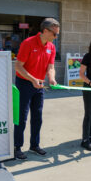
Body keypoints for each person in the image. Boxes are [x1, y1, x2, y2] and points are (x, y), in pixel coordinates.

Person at [14, 18, 59, 159]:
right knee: (22, 117)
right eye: (54, 34)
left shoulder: (51, 47)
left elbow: (51, 67)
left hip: (39, 84)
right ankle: (17, 147)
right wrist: (32, 79)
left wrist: (51, 78)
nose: (56, 37)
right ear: (45, 31)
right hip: (25, 83)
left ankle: (34, 145)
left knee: (37, 117)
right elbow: (18, 66)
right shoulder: (28, 43)